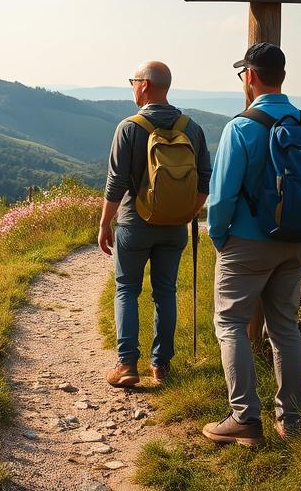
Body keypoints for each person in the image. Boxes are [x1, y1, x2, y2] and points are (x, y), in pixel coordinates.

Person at [202, 43, 301, 447]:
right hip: (297, 243)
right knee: (285, 328)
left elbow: (222, 195)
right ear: (281, 75)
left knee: (229, 324)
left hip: (246, 243)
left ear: (250, 76)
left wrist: (219, 236)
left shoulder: (241, 127)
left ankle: (245, 418)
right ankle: (291, 420)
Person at [98, 61, 211, 387]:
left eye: (133, 81)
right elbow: (205, 178)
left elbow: (115, 183)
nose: (132, 86)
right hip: (174, 226)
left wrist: (106, 223)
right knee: (165, 292)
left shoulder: (129, 127)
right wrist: (189, 211)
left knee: (127, 290)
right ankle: (160, 367)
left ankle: (127, 366)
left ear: (145, 85)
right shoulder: (191, 128)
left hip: (135, 224)